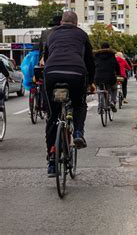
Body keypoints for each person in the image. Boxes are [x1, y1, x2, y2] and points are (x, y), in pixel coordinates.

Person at [43, 11, 95, 177]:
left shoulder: (51, 35)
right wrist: (91, 81)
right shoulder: (81, 34)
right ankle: (78, 132)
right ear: (76, 23)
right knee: (79, 104)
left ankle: (52, 160)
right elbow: (90, 62)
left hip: (52, 73)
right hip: (75, 73)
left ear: (61, 22)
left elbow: (46, 56)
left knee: (52, 116)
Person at [94, 42, 121, 112]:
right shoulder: (111, 55)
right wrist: (119, 73)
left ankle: (100, 106)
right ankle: (112, 101)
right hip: (110, 77)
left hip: (98, 77)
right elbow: (116, 66)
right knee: (114, 88)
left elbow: (93, 66)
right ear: (109, 47)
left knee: (100, 90)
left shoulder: (96, 56)